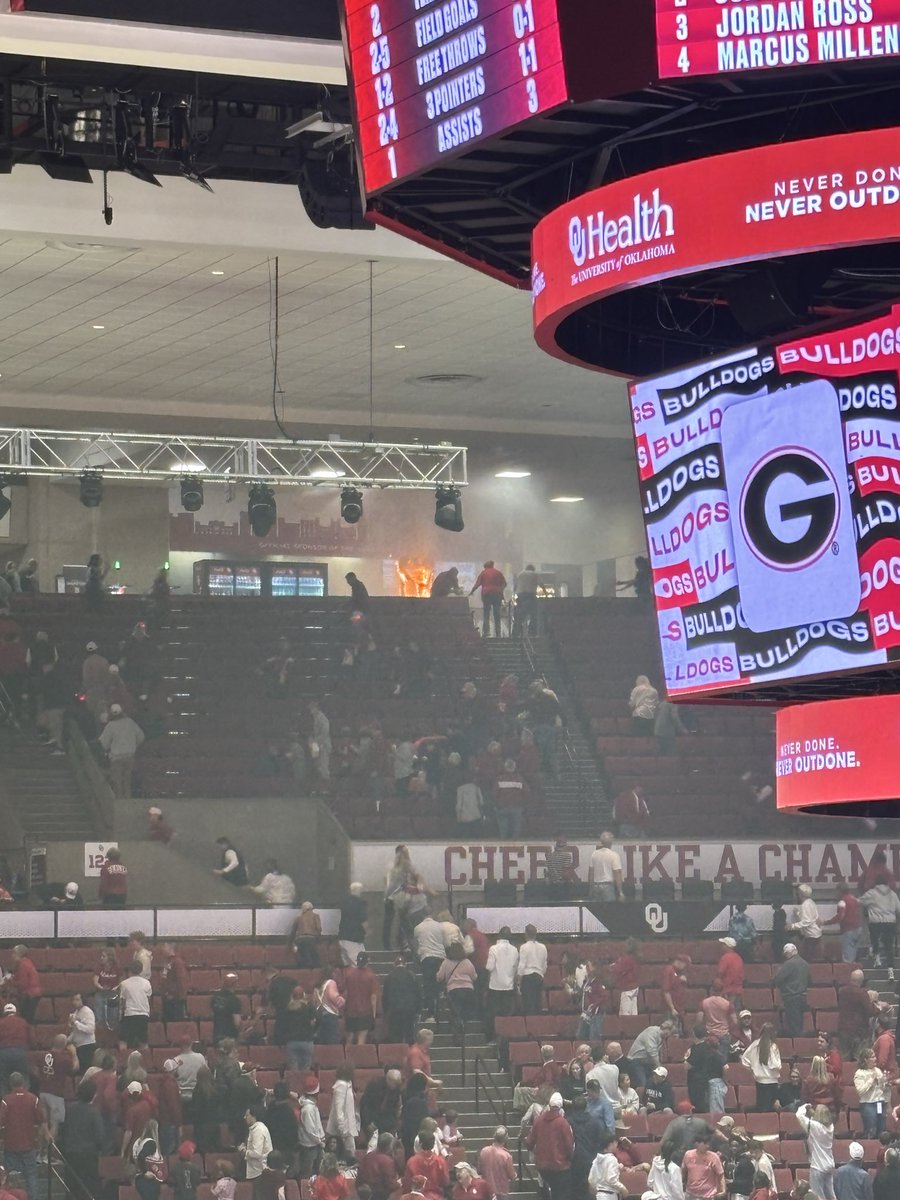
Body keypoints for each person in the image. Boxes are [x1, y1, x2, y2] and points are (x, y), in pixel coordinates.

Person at [0, 1073, 46, 1200]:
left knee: (12, 1177)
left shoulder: (6, 1100)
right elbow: (41, 1120)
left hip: (11, 1145)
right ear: (24, 1083)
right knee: (31, 1177)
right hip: (29, 1145)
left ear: (10, 1084)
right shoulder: (33, 1099)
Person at [60, 1078, 105, 1200]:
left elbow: (63, 1131)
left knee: (72, 1187)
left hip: (71, 1154)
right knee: (88, 1188)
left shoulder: (70, 1110)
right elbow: (100, 1136)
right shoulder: (94, 1113)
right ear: (93, 1094)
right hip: (88, 1155)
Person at [526, 1092, 574, 1200]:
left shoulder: (539, 1121)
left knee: (547, 1190)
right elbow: (569, 1144)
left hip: (543, 1165)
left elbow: (530, 1141)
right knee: (560, 1193)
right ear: (560, 1107)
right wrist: (570, 1158)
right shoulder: (563, 1123)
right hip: (560, 1166)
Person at [98, 703, 145, 798]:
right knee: (127, 781)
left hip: (116, 758)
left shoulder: (111, 726)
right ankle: (128, 802)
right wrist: (133, 745)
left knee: (117, 782)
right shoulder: (130, 722)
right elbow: (141, 737)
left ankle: (120, 803)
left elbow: (103, 744)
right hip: (129, 757)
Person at [838, 969, 884, 1059]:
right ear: (861, 981)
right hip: (858, 1031)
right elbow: (870, 1011)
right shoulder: (862, 993)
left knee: (844, 1059)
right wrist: (880, 1008)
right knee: (858, 1059)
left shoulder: (842, 991)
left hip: (843, 1029)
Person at [686, 1025, 728, 1117]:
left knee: (705, 1108)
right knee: (709, 1107)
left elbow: (687, 1066)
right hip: (707, 1081)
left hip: (700, 1083)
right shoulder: (711, 1051)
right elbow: (726, 1067)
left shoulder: (697, 1049)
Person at [485, 926, 518, 1039]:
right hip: (509, 986)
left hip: (495, 985)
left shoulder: (493, 948)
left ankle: (491, 1037)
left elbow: (489, 967)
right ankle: (505, 1037)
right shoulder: (514, 949)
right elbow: (515, 968)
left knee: (492, 1014)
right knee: (506, 1015)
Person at [796, 1104, 835, 1200]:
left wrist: (805, 1106)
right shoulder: (831, 1126)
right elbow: (819, 1119)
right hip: (829, 1164)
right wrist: (813, 1112)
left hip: (818, 1166)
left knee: (817, 1196)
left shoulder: (814, 1126)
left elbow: (799, 1115)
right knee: (830, 1195)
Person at [741, 1024, 782, 1112]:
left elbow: (744, 1059)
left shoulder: (755, 1044)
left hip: (759, 1081)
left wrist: (752, 1069)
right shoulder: (773, 1046)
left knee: (761, 1107)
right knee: (770, 1108)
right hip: (772, 1081)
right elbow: (776, 1065)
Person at [859, 879, 900, 967]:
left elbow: (860, 901)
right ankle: (890, 969)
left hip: (875, 921)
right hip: (890, 922)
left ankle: (877, 959)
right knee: (889, 944)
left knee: (875, 941)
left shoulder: (872, 893)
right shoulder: (892, 894)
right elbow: (898, 909)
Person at [383, 954, 422, 1046]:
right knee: (409, 1033)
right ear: (405, 964)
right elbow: (418, 994)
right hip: (409, 1009)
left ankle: (397, 1056)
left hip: (394, 1009)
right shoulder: (412, 976)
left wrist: (385, 1010)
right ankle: (410, 1054)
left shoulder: (389, 977)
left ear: (394, 964)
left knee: (395, 1035)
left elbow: (385, 996)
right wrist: (419, 1010)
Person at [773, 944, 810, 1038]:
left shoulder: (788, 964)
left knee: (793, 1024)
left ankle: (796, 1044)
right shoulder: (805, 963)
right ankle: (801, 1042)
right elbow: (810, 980)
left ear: (788, 953)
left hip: (791, 997)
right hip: (803, 996)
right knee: (800, 1023)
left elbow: (778, 979)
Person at [436, 943, 477, 1027]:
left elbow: (439, 977)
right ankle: (467, 1027)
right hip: (468, 989)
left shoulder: (446, 962)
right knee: (466, 1011)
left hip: (453, 990)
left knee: (456, 1012)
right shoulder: (467, 962)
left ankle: (458, 1028)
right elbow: (474, 976)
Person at [344, 952, 379, 1046]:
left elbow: (345, 993)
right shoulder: (370, 976)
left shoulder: (349, 974)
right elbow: (373, 997)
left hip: (350, 1011)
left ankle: (346, 1058)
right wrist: (374, 1014)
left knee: (349, 1037)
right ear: (368, 961)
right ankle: (359, 1059)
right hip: (365, 1011)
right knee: (361, 1037)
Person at [404, 1131, 450, 1200]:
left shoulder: (412, 1161)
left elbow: (407, 1183)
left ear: (420, 1143)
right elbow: (445, 1182)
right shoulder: (440, 1161)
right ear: (433, 1144)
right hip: (436, 1197)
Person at [825, 884, 864, 964]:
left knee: (847, 955)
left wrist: (826, 922)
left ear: (840, 891)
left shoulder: (842, 902)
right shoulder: (854, 899)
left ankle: (848, 972)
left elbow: (840, 916)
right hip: (858, 928)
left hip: (848, 930)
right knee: (853, 952)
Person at [681, 1130, 724, 1200]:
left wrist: (723, 1190)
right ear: (697, 1144)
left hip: (708, 1196)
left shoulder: (714, 1157)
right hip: (691, 1195)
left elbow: (720, 1174)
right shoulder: (688, 1155)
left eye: (708, 1143)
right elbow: (683, 1171)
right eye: (705, 1143)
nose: (708, 1146)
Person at [119, 959, 152, 1049]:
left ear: (129, 970)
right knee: (143, 1041)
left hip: (130, 1014)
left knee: (123, 1040)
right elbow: (148, 999)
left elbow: (123, 1001)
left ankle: (123, 1058)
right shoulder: (147, 983)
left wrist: (121, 1014)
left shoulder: (124, 983)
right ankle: (145, 1059)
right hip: (143, 1015)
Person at [853, 1047, 886, 1139]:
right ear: (866, 1060)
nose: (875, 1059)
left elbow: (882, 1088)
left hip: (880, 1102)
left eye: (875, 1056)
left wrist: (882, 1082)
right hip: (868, 1104)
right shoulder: (859, 1073)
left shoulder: (878, 1070)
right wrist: (871, 1080)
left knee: (881, 1128)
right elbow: (860, 1091)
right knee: (871, 1129)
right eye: (872, 1057)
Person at [242, 1107, 274, 1200]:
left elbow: (257, 1153)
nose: (244, 1117)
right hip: (256, 1170)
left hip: (259, 1171)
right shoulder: (255, 1129)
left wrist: (244, 1151)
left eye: (247, 1115)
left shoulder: (258, 1130)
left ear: (254, 1116)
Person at [469, 560, 507, 639]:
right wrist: (500, 589)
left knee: (486, 613)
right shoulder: (498, 573)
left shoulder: (483, 573)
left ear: (485, 566)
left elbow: (477, 584)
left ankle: (486, 632)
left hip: (487, 594)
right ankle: (498, 633)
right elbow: (504, 583)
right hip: (497, 594)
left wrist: (471, 591)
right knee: (497, 613)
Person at [518, 924, 548, 1015]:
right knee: (537, 1004)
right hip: (539, 977)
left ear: (525, 934)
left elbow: (521, 966)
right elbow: (544, 965)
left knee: (528, 1005)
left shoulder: (524, 947)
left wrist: (518, 982)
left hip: (528, 978)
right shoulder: (543, 947)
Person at [478, 1127, 517, 1199]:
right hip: (501, 1191)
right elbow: (512, 1176)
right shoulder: (506, 1156)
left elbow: (479, 1170)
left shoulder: (484, 1151)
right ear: (506, 1138)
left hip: (486, 1190)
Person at [7, 946, 41, 1025]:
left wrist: (10, 981)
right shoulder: (27, 963)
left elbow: (22, 984)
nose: (12, 955)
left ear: (19, 954)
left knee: (26, 1019)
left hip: (29, 995)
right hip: (33, 994)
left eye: (14, 953)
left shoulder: (22, 965)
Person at [338, 881, 368, 968]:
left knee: (347, 966)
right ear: (358, 890)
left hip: (342, 937)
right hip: (354, 938)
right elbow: (363, 920)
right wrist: (367, 932)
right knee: (359, 965)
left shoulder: (344, 902)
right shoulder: (361, 903)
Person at [789, 885, 823, 959]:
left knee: (808, 957)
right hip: (816, 933)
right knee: (812, 956)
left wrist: (792, 926)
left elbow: (807, 921)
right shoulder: (811, 902)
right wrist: (798, 913)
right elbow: (810, 917)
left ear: (801, 894)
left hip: (811, 935)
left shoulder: (805, 905)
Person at [589, 832, 623, 902]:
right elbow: (617, 873)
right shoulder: (614, 855)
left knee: (596, 910)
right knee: (608, 911)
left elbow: (591, 872)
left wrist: (591, 887)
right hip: (608, 886)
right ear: (611, 842)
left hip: (596, 886)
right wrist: (620, 891)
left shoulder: (594, 854)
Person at [159, 943, 189, 1023]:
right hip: (167, 998)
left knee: (175, 1023)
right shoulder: (168, 961)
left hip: (175, 1000)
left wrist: (176, 994)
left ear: (170, 948)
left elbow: (181, 980)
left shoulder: (178, 962)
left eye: (165, 946)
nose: (162, 948)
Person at [67, 991, 97, 1072]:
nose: (75, 1002)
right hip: (78, 1046)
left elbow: (90, 1029)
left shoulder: (87, 1012)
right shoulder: (76, 1012)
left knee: (86, 1071)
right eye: (74, 1000)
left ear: (83, 1000)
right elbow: (75, 1031)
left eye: (77, 1000)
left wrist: (76, 1023)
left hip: (87, 1046)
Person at [662, 953, 690, 1034]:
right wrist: (672, 1008)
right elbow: (666, 991)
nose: (685, 967)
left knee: (678, 1031)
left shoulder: (678, 972)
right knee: (670, 1032)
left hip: (678, 1008)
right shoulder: (669, 971)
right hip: (671, 1009)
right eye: (685, 965)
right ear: (680, 962)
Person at [211, 973, 243, 1044]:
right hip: (229, 1036)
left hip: (217, 1034)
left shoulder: (215, 997)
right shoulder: (234, 1000)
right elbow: (237, 1023)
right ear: (234, 984)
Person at [290, 902, 323, 969]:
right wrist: (318, 938)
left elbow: (293, 931)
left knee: (303, 955)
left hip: (299, 939)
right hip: (311, 938)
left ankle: (303, 969)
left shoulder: (298, 918)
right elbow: (319, 928)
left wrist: (291, 942)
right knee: (315, 958)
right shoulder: (315, 916)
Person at [716, 937, 744, 1004]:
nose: (722, 947)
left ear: (727, 946)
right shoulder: (739, 958)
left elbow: (720, 973)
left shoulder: (725, 958)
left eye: (723, 945)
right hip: (738, 991)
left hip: (727, 990)